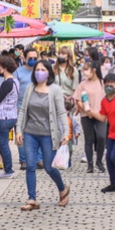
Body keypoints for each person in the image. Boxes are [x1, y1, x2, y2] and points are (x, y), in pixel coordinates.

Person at [14, 61, 70, 210]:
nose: (39, 72)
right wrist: (19, 129)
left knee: (49, 166)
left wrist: (66, 132)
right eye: (37, 70)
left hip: (48, 135)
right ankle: (32, 199)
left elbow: (61, 112)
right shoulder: (30, 88)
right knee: (30, 165)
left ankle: (62, 188)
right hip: (30, 133)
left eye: (43, 69)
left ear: (49, 72)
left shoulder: (55, 90)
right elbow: (22, 110)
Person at [75, 60, 106, 174]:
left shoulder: (102, 83)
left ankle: (99, 160)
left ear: (94, 70)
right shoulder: (82, 84)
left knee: (101, 136)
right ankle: (90, 164)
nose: (84, 71)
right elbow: (78, 99)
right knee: (89, 139)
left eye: (87, 69)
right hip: (86, 114)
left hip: (100, 114)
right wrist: (84, 109)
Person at [13, 48, 38, 170]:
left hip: (38, 107)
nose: (33, 60)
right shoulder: (18, 72)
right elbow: (13, 90)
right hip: (20, 107)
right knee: (20, 133)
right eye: (30, 58)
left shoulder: (40, 71)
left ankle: (38, 159)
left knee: (39, 132)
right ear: (24, 58)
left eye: (35, 58)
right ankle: (23, 160)